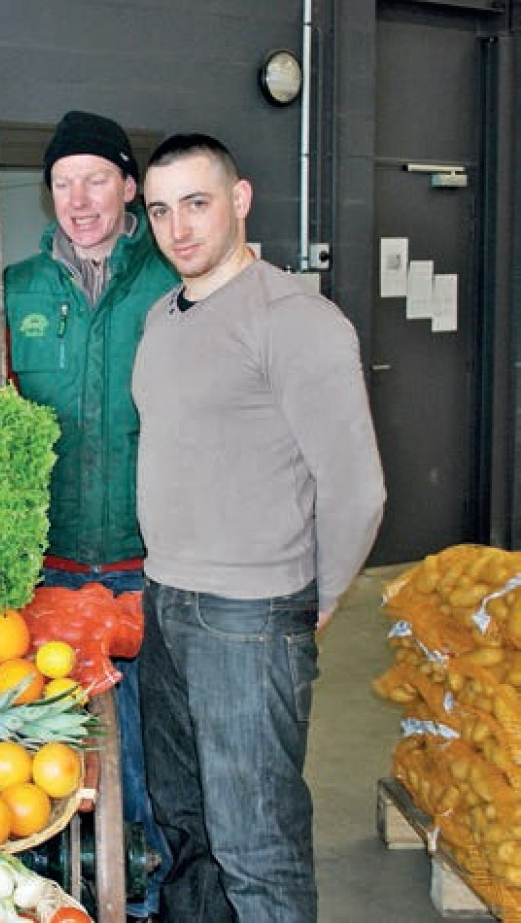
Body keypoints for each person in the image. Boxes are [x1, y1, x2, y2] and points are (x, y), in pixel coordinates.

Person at [133, 133, 386, 922]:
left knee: (256, 844)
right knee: (188, 827)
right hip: (165, 598)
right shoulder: (161, 314)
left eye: (197, 204)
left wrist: (324, 594)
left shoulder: (294, 318)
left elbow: (358, 487)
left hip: (249, 616)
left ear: (240, 201)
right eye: (161, 210)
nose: (179, 228)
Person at [3, 110, 175, 919]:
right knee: (44, 744)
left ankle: (147, 889)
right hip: (53, 561)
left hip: (150, 556)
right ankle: (50, 890)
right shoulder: (16, 291)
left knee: (152, 746)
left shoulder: (171, 280)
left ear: (129, 187)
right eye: (63, 183)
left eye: (96, 179)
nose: (78, 199)